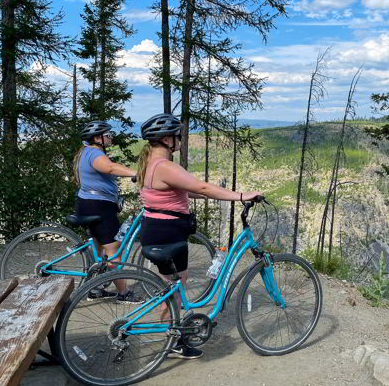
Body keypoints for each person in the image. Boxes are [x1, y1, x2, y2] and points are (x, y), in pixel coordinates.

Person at [136, 113, 262, 359]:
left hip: (154, 228)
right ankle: (172, 340)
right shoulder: (165, 166)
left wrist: (205, 196)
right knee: (174, 291)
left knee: (171, 289)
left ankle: (172, 335)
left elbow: (175, 192)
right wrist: (241, 195)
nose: (180, 139)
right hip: (169, 232)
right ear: (166, 139)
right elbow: (201, 186)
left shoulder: (149, 163)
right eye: (177, 135)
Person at [73, 120, 139, 303]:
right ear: (97, 138)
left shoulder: (86, 152)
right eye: (107, 134)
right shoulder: (95, 153)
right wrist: (135, 173)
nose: (110, 137)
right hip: (99, 206)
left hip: (88, 202)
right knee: (113, 250)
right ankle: (124, 293)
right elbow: (109, 167)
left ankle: (95, 289)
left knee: (100, 248)